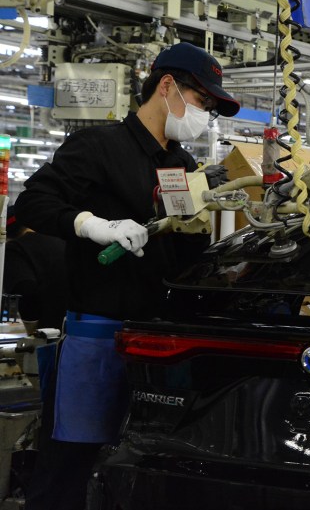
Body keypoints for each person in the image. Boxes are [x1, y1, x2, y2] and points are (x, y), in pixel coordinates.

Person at [16, 42, 239, 510]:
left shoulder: (184, 165)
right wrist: (90, 225)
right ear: (167, 86)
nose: (206, 116)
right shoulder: (98, 147)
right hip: (98, 337)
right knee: (70, 465)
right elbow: (34, 202)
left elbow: (186, 250)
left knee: (136, 466)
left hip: (157, 344)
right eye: (203, 102)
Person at [2, 205, 68, 333]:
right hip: (76, 325)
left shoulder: (16, 248)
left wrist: (32, 328)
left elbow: (24, 288)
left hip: (49, 331)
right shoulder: (62, 241)